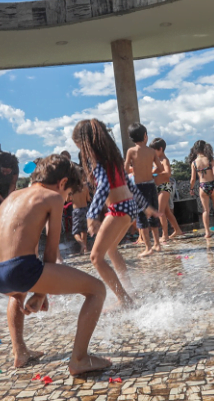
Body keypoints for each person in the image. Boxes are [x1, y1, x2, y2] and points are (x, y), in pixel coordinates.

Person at [0, 154, 110, 373]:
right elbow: (51, 250)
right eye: (68, 193)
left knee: (17, 293)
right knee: (97, 290)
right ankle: (79, 360)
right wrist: (41, 293)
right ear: (62, 183)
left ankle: (19, 351)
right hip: (19, 270)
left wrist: (36, 288)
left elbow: (24, 246)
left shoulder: (13, 196)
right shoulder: (52, 197)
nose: (66, 196)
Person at [73, 119, 157, 309]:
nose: (81, 151)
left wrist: (92, 215)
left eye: (79, 146)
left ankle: (124, 300)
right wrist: (145, 206)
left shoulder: (98, 161)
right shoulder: (113, 158)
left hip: (118, 208)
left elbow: (103, 186)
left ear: (85, 143)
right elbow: (130, 186)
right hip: (128, 207)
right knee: (110, 249)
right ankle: (129, 289)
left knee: (95, 257)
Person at [124, 123, 163, 257]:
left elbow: (125, 169)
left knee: (141, 216)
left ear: (131, 138)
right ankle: (157, 244)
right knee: (153, 214)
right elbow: (160, 168)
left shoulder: (131, 151)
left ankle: (148, 247)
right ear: (145, 136)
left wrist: (134, 170)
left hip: (139, 187)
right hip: (151, 185)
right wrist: (151, 172)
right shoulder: (151, 151)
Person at [189, 140, 214, 238]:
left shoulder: (194, 163)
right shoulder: (210, 159)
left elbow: (192, 179)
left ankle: (207, 232)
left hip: (202, 186)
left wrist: (191, 189)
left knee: (205, 210)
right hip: (213, 185)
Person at [149, 138, 183, 242]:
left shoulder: (164, 160)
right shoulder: (156, 160)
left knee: (160, 211)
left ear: (160, 149)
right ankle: (177, 230)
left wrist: (156, 174)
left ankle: (165, 234)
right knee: (167, 212)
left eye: (154, 150)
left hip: (165, 186)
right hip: (159, 187)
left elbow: (168, 173)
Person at [71, 166, 91, 254]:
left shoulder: (72, 187)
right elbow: (88, 199)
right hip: (85, 209)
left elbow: (68, 199)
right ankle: (84, 249)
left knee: (75, 232)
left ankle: (82, 244)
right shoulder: (85, 186)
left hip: (76, 210)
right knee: (84, 230)